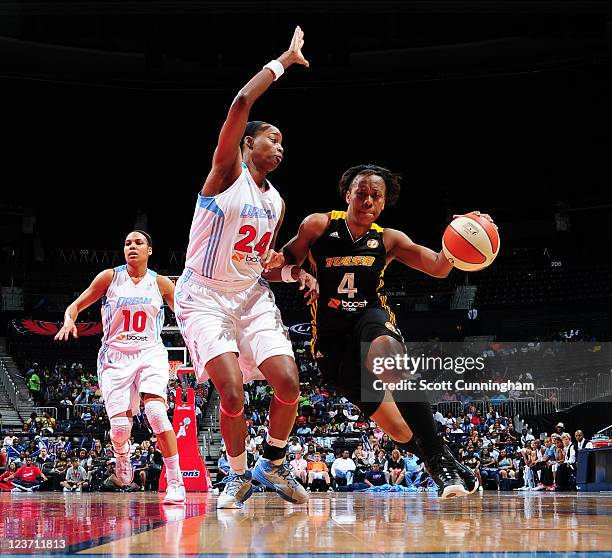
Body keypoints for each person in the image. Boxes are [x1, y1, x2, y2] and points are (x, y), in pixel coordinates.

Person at [270, 164, 497, 497]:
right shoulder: (318, 225)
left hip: (369, 318)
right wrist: (295, 273)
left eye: (376, 196)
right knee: (398, 429)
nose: (367, 200)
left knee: (388, 358)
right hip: (331, 340)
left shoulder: (389, 239)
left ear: (384, 203)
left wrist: (462, 232)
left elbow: (437, 267)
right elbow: (277, 267)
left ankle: (441, 465)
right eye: (361, 192)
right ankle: (444, 460)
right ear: (347, 194)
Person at [174, 27, 316, 509]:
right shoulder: (225, 174)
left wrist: (297, 274)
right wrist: (282, 61)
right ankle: (235, 476)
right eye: (272, 139)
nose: (280, 147)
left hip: (249, 296)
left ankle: (272, 464)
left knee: (289, 383)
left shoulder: (276, 202)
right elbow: (239, 103)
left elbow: (261, 266)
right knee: (231, 394)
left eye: (283, 143)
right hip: (203, 297)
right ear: (248, 144)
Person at [55, 230, 185, 505]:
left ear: (150, 250)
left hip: (150, 351)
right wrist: (69, 320)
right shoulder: (110, 277)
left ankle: (176, 481)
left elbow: (186, 317)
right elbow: (76, 306)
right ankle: (123, 456)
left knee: (156, 413)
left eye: (138, 243)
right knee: (119, 431)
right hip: (115, 357)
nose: (132, 247)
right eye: (127, 243)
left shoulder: (161, 284)